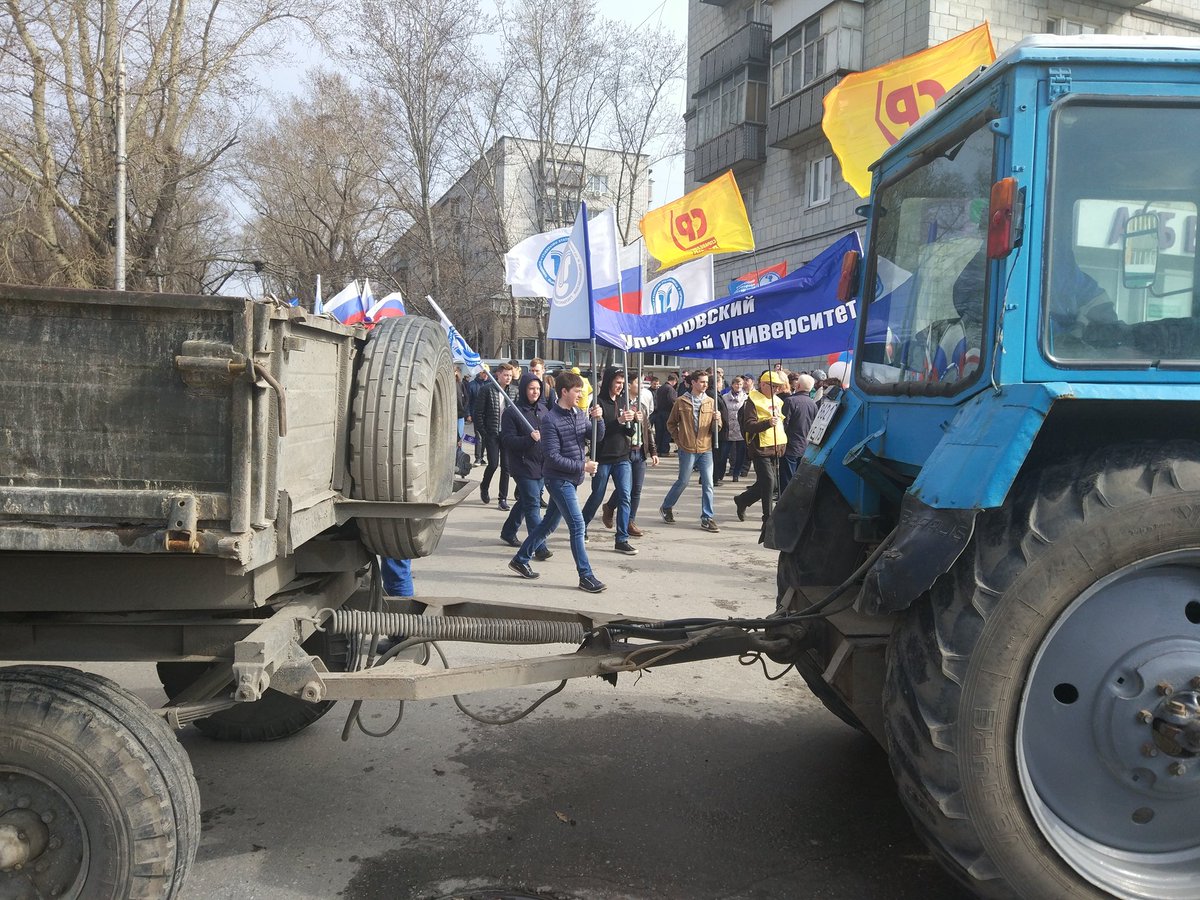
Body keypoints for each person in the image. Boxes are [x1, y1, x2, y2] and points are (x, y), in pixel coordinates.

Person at [508, 371, 607, 593]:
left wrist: (598, 419)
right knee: (578, 525)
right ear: (564, 392)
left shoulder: (579, 413)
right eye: (577, 391)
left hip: (572, 479)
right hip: (558, 480)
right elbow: (552, 456)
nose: (581, 395)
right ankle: (586, 576)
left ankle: (521, 558)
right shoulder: (550, 420)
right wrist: (583, 466)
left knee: (548, 524)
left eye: (581, 391)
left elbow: (596, 437)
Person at [580, 368, 638, 555]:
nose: (620, 386)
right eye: (617, 382)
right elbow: (597, 435)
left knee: (625, 496)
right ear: (609, 382)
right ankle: (581, 526)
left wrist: (633, 421)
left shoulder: (623, 401)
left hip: (622, 456)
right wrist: (619, 421)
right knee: (597, 495)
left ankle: (621, 539)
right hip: (603, 457)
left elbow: (628, 432)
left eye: (622, 383)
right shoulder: (598, 402)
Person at [499, 373, 552, 561]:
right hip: (522, 465)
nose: (535, 392)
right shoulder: (513, 412)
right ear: (523, 390)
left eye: (538, 389)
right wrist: (528, 439)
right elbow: (507, 440)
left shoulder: (544, 410)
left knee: (526, 501)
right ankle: (539, 546)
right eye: (531, 388)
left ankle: (508, 530)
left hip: (541, 465)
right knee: (532, 504)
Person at [659, 368, 719, 533]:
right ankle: (666, 506)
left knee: (708, 483)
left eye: (706, 382)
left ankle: (707, 517)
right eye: (701, 382)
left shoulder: (711, 402)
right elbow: (671, 423)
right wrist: (679, 439)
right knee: (683, 481)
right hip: (687, 448)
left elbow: (717, 429)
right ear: (693, 382)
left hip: (705, 447)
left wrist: (717, 421)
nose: (705, 385)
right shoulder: (681, 401)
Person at [601, 373, 657, 538]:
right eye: (637, 383)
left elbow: (648, 429)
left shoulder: (642, 406)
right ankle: (610, 506)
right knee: (625, 488)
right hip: (624, 450)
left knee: (636, 489)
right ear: (629, 385)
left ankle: (629, 521)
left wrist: (653, 451)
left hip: (639, 450)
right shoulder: (621, 403)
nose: (640, 386)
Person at [734, 370, 788, 524]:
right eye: (773, 386)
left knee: (772, 483)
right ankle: (768, 519)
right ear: (763, 384)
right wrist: (767, 423)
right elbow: (748, 426)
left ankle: (742, 500)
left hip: (776, 447)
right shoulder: (752, 401)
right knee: (769, 482)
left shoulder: (777, 400)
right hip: (760, 448)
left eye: (778, 386)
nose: (777, 389)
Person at [475, 363, 513, 509]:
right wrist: (483, 432)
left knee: (507, 467)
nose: (508, 378)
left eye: (510, 375)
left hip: (507, 435)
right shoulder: (487, 390)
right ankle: (484, 486)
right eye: (505, 375)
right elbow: (478, 413)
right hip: (492, 433)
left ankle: (502, 498)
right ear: (498, 374)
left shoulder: (514, 391)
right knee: (492, 464)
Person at [779, 372, 817, 493]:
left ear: (798, 385)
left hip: (790, 445)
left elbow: (784, 424)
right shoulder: (813, 404)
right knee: (800, 478)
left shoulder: (790, 401)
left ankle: (785, 503)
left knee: (788, 479)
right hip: (805, 446)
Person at [716, 375, 747, 484]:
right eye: (736, 384)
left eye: (740, 384)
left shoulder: (746, 398)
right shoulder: (725, 397)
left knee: (740, 454)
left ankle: (736, 474)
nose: (738, 386)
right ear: (732, 385)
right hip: (727, 429)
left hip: (740, 430)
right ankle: (720, 474)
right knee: (723, 454)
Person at [467, 366, 490, 464]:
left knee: (485, 437)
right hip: (476, 414)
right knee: (478, 436)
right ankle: (478, 458)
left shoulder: (491, 384)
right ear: (479, 373)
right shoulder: (472, 385)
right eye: (484, 373)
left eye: (487, 373)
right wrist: (468, 414)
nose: (486, 375)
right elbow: (468, 401)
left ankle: (482, 457)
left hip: (488, 415)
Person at [654, 373, 678, 456]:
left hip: (659, 412)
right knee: (667, 432)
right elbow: (673, 402)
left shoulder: (660, 388)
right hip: (668, 413)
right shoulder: (670, 389)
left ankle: (659, 450)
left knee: (659, 432)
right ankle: (664, 451)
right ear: (674, 381)